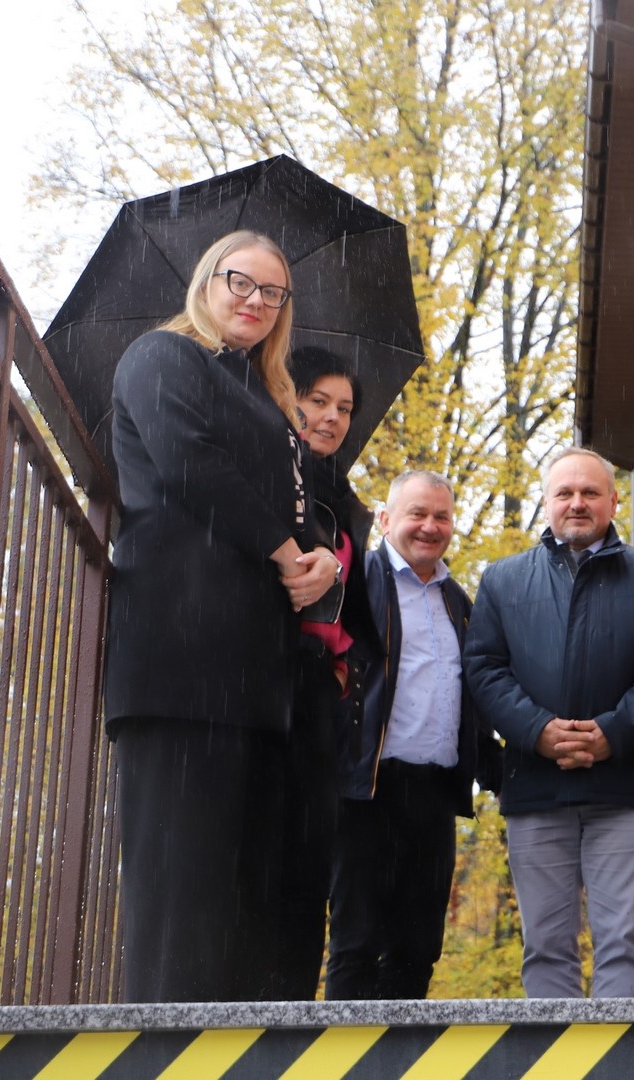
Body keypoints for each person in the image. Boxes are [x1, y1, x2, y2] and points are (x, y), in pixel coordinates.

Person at [104, 230, 343, 1002]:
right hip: (181, 662)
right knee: (180, 904)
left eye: (273, 293)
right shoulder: (161, 357)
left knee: (241, 912)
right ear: (207, 280)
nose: (255, 300)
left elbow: (290, 513)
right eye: (240, 281)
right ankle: (162, 1053)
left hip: (256, 685)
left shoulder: (267, 401)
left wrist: (322, 558)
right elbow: (188, 462)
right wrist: (286, 551)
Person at [464, 447, 634, 998]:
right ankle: (554, 1051)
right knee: (545, 948)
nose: (577, 503)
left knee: (623, 944)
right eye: (564, 493)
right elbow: (484, 669)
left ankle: (617, 1049)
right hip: (536, 790)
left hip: (624, 790)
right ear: (547, 502)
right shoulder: (502, 580)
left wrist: (613, 733)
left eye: (590, 492)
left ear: (613, 501)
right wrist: (536, 731)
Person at [327, 470, 500, 1000]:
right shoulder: (353, 585)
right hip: (365, 789)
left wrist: (497, 768)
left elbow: (473, 699)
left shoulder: (459, 604)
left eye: (441, 516)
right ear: (385, 519)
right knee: (355, 944)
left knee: (419, 948)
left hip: (435, 794)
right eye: (417, 514)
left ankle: (400, 1051)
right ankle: (344, 1050)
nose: (430, 526)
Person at [284, 348, 378, 995]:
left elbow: (358, 608)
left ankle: (293, 1000)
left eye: (344, 408)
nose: (332, 417)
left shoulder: (344, 500)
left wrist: (348, 666)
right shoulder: (274, 479)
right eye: (317, 400)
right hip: (270, 677)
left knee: (311, 861)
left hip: (325, 693)